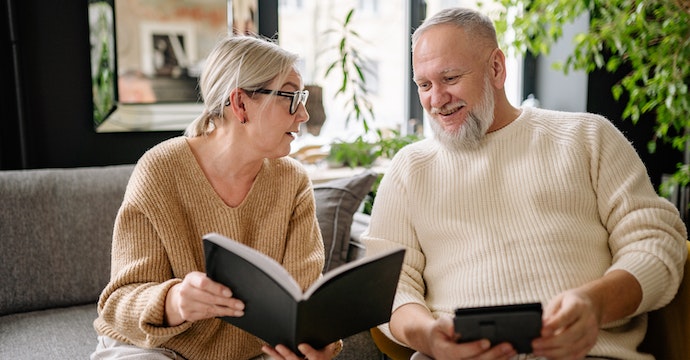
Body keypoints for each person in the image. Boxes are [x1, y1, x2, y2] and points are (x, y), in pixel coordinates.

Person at [362, 7, 687, 360]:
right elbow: (388, 287)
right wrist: (427, 336)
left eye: (451, 78)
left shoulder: (587, 137)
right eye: (424, 85)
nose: (436, 100)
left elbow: (656, 242)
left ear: (497, 68)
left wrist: (596, 304)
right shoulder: (409, 169)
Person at [91, 34, 342, 360]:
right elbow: (118, 304)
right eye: (290, 98)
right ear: (240, 104)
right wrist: (176, 300)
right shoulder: (161, 170)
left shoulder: (292, 181)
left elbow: (304, 299)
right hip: (156, 349)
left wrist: (317, 347)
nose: (304, 114)